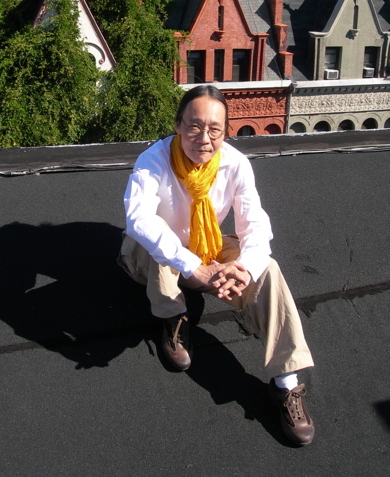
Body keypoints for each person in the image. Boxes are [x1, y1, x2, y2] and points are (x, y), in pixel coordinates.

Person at [118, 85, 315, 446]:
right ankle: (173, 317)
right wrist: (192, 265)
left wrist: (244, 269)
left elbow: (255, 224)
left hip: (206, 248)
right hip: (155, 257)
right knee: (160, 242)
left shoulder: (235, 163)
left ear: (225, 132)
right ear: (178, 125)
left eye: (214, 129)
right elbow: (139, 219)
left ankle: (286, 382)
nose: (204, 138)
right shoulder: (154, 160)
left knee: (267, 268)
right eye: (194, 126)